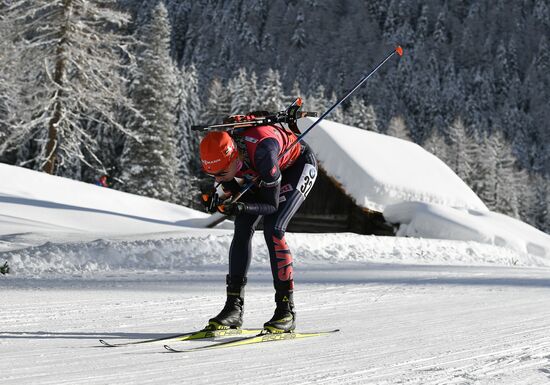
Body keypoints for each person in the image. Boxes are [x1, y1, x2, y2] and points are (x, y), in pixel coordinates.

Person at [199, 120, 317, 333]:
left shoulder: (263, 152)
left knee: (274, 229)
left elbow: (270, 205)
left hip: (297, 165)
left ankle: (286, 310)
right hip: (260, 173)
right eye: (212, 175)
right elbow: (231, 184)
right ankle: (233, 307)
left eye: (221, 174)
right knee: (241, 228)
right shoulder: (226, 160)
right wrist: (221, 201)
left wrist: (240, 207)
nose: (218, 180)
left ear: (234, 157)